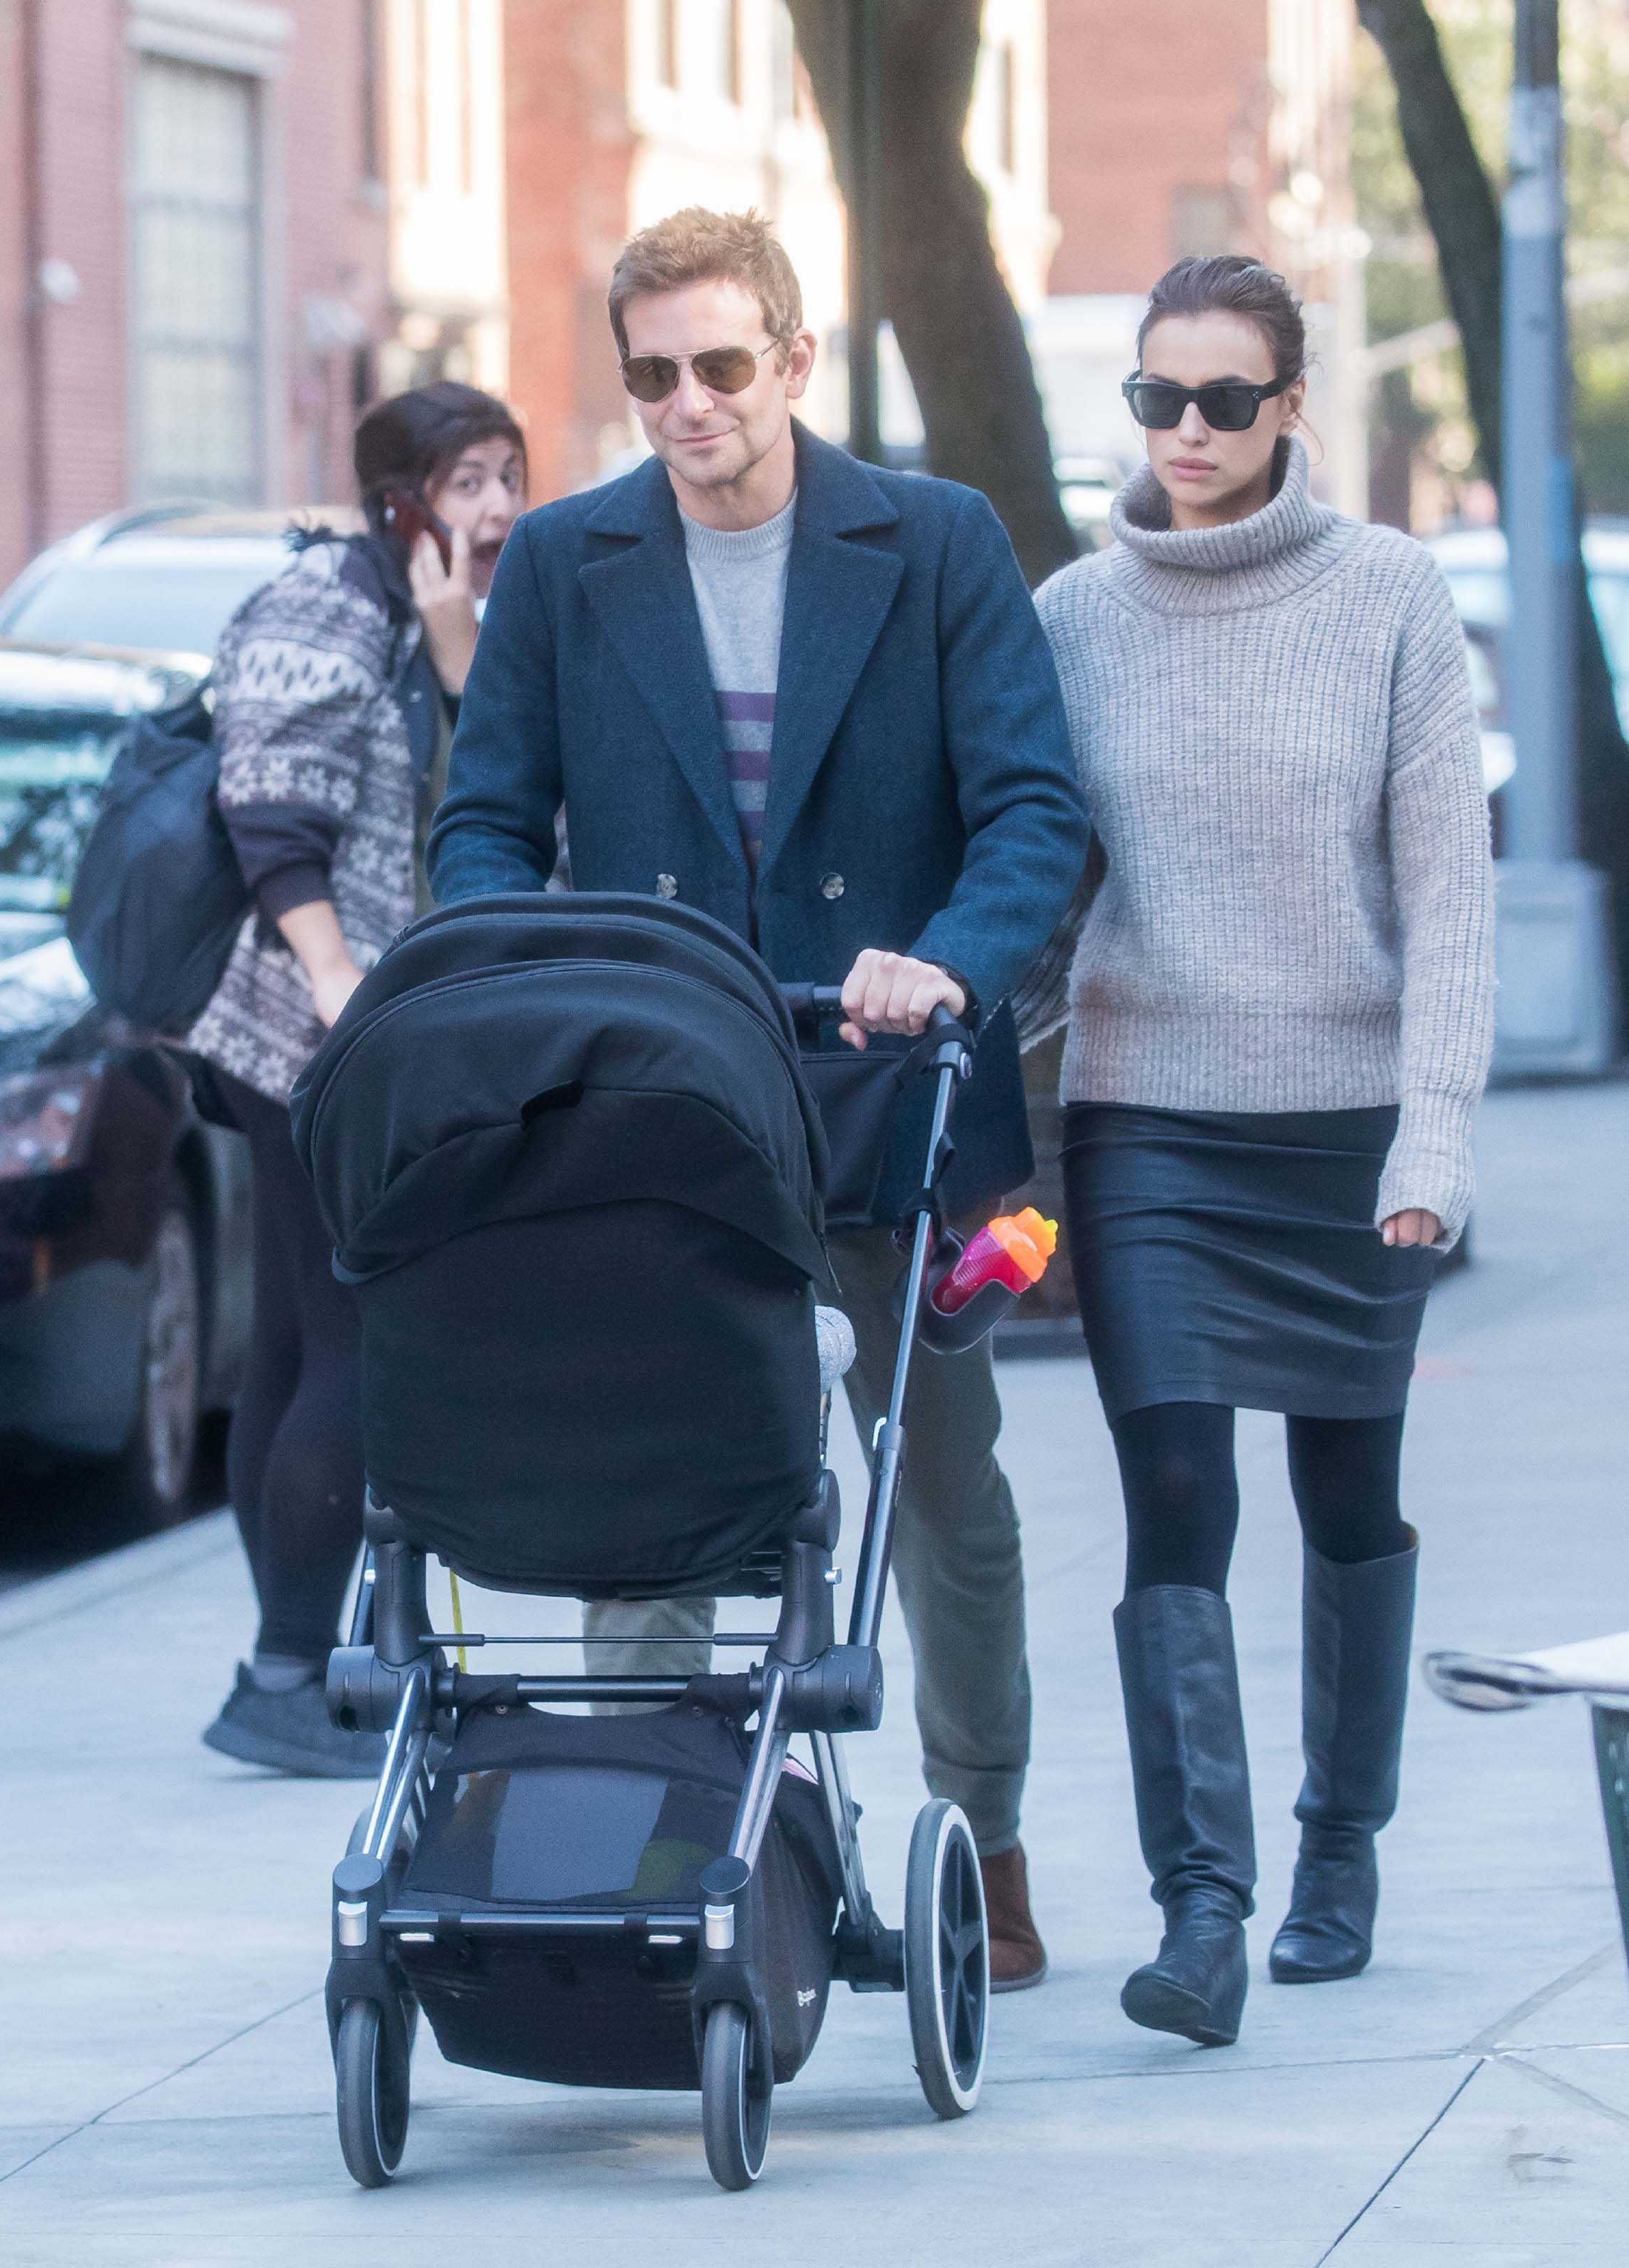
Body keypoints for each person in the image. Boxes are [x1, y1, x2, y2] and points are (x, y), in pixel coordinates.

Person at [427, 208, 1089, 1987]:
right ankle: (644, 1829)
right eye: (652, 372)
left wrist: (941, 961)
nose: (687, 402)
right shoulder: (569, 563)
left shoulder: (935, 540)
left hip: (899, 1096)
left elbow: (1037, 809)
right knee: (649, 1480)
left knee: (944, 1487)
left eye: (723, 364)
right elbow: (484, 818)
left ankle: (990, 1834)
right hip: (659, 1106)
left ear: (795, 359)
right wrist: (523, 967)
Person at [1033, 254, 1495, 2045]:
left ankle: (1340, 1846)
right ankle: (1201, 1902)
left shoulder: (1392, 598)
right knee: (1173, 1500)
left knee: (1345, 1499)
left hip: (1348, 1123)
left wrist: (1433, 1133)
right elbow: (1041, 883)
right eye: (1160, 400)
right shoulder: (1073, 616)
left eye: (1228, 400)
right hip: (1146, 1112)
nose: (1192, 434)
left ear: (1294, 406)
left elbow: (1450, 897)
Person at [196, 380, 526, 1775]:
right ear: (399, 498)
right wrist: (334, 980)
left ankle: (293, 1659)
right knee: (347, 1344)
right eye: (465, 482)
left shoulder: (416, 612)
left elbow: (476, 804)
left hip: (330, 1037)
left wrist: (456, 651)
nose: (498, 506)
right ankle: (287, 1669)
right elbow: (269, 808)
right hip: (306, 1033)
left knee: (289, 1339)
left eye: (510, 473)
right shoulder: (326, 602)